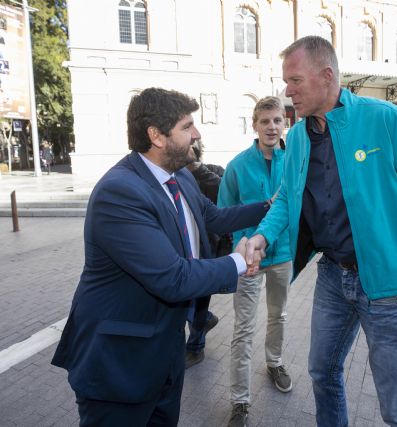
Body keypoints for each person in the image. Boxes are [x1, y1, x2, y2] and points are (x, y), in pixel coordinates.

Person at [243, 36, 397, 427]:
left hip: (389, 287)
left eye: (295, 81)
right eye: (285, 82)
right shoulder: (301, 137)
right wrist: (261, 236)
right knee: (322, 373)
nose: (287, 92)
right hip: (332, 278)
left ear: (327, 76)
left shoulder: (386, 119)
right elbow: (287, 199)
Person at [51, 87, 269, 426]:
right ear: (156, 135)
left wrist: (270, 208)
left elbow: (211, 217)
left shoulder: (179, 174)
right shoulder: (119, 193)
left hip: (164, 355)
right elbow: (173, 278)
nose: (196, 134)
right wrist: (240, 262)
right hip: (119, 365)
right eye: (187, 126)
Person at [219, 96, 293, 427]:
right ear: (255, 125)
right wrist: (241, 249)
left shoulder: (293, 161)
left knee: (279, 316)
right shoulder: (236, 166)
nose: (272, 127)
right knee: (244, 328)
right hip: (248, 259)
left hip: (282, 256)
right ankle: (240, 401)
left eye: (277, 120)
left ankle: (274, 362)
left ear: (284, 123)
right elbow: (225, 214)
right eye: (265, 121)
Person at [183, 139, 230, 368]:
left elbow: (223, 193)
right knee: (181, 297)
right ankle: (205, 321)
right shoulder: (172, 175)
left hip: (206, 248)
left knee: (200, 299)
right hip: (180, 248)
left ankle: (195, 347)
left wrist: (197, 169)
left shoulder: (212, 171)